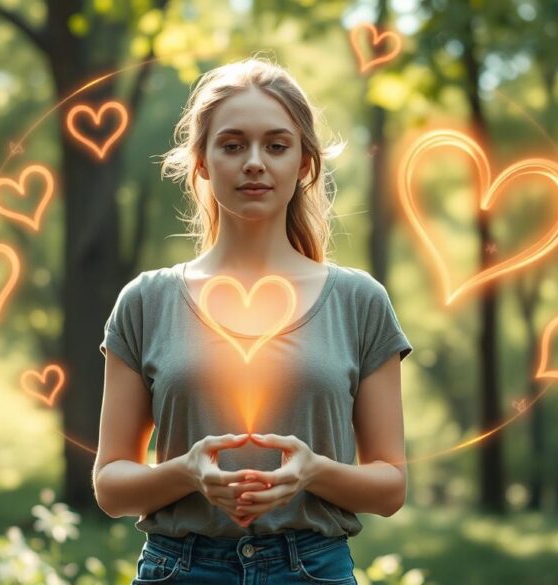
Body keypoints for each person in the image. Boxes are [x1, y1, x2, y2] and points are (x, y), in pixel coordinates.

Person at [93, 55, 412, 585]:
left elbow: (390, 487)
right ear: (201, 161)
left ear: (304, 163)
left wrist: (313, 472)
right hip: (180, 569)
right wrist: (188, 475)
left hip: (313, 570)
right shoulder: (146, 301)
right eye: (233, 144)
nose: (255, 162)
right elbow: (110, 484)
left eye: (277, 145)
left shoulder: (360, 301)